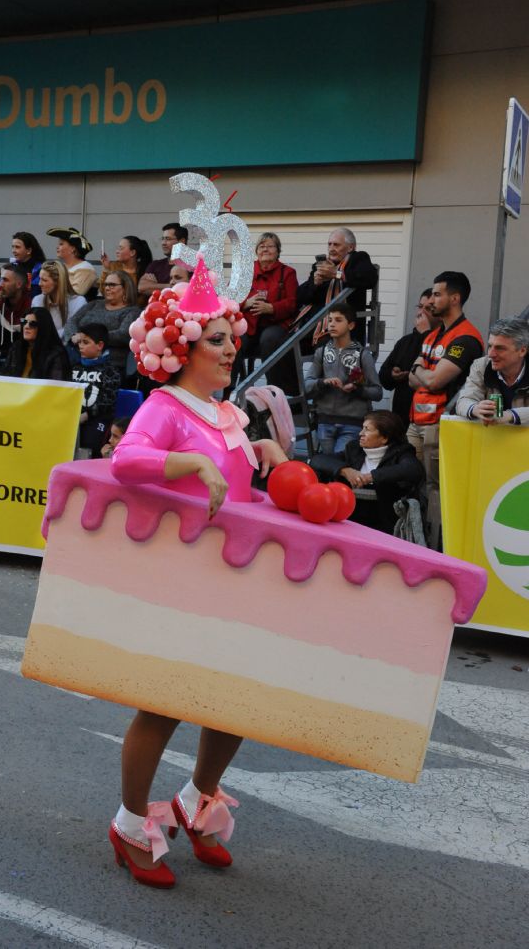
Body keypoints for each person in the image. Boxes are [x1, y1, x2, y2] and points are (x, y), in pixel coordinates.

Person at [108, 257, 287, 888]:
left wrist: (260, 450)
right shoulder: (166, 406)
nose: (232, 347)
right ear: (180, 345)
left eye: (233, 337)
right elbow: (127, 460)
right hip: (182, 579)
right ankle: (130, 823)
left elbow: (238, 484)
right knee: (163, 707)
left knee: (235, 701)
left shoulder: (229, 413)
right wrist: (191, 466)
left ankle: (197, 796)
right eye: (218, 338)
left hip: (236, 578)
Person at [407, 271, 484, 492]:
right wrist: (422, 372)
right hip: (416, 422)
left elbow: (434, 381)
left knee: (436, 488)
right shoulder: (433, 335)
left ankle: (437, 528)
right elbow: (412, 380)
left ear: (455, 298)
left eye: (437, 294)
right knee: (412, 485)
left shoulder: (465, 338)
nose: (430, 300)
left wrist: (420, 369)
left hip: (441, 424)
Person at [311, 410, 425, 535]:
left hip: (385, 525)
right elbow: (318, 460)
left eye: (367, 430)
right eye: (362, 428)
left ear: (384, 438)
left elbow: (413, 469)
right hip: (349, 522)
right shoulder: (354, 449)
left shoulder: (401, 452)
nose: (361, 433)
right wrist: (346, 471)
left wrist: (371, 476)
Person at [303, 302, 382, 453]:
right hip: (324, 421)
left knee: (339, 465)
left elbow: (378, 392)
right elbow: (306, 386)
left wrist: (357, 389)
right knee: (327, 466)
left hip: (352, 423)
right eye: (330, 320)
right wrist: (323, 382)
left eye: (338, 320)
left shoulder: (363, 355)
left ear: (351, 325)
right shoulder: (322, 352)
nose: (332, 324)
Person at [234, 232, 298, 389]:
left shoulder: (288, 272)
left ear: (278, 251)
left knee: (270, 339)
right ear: (256, 251)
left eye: (270, 246)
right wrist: (246, 303)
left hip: (276, 324)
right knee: (233, 341)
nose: (265, 249)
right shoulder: (245, 271)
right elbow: (231, 298)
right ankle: (230, 391)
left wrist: (271, 308)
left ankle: (274, 392)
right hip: (249, 324)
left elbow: (293, 303)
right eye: (261, 246)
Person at [296, 228, 377, 345]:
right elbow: (301, 296)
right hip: (314, 324)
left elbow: (369, 279)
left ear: (350, 247)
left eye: (336, 245)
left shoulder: (358, 258)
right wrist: (314, 283)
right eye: (329, 244)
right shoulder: (320, 265)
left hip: (345, 327)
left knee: (327, 344)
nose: (331, 249)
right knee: (282, 345)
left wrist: (337, 274)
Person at [456, 317, 529, 426]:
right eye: (490, 346)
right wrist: (475, 408)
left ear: (522, 351)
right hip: (491, 440)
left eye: (500, 348)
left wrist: (510, 416)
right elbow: (464, 400)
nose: (491, 354)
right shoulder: (481, 365)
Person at [378, 289, 436, 428]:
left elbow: (432, 367)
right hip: (401, 416)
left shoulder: (442, 341)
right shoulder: (405, 341)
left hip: (428, 418)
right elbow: (383, 376)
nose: (421, 313)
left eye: (428, 308)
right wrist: (392, 375)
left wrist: (425, 334)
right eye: (420, 307)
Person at [64, 269, 138, 372]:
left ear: (125, 288)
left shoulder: (132, 311)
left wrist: (88, 337)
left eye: (112, 285)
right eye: (105, 284)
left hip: (110, 364)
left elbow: (123, 335)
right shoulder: (94, 304)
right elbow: (72, 322)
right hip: (77, 358)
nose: (107, 288)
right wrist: (73, 335)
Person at [72, 324, 122, 455]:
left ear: (100, 345)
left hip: (97, 418)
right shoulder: (75, 367)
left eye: (85, 342)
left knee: (89, 443)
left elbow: (107, 401)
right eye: (80, 342)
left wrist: (87, 415)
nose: (80, 346)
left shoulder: (110, 371)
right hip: (72, 415)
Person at [3, 307, 71, 380]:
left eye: (32, 324)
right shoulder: (16, 347)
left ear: (43, 327)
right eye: (24, 322)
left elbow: (57, 386)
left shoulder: (56, 354)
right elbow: (5, 376)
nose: (26, 326)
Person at [31, 259, 86, 339]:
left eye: (44, 280)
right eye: (40, 279)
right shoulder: (37, 300)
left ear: (58, 282)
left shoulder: (78, 302)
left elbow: (73, 331)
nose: (39, 284)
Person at [137, 223, 189, 297]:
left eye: (168, 239)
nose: (163, 243)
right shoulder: (155, 265)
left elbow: (190, 288)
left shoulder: (192, 266)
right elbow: (142, 287)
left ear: (181, 241)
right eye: (162, 239)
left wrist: (154, 285)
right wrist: (173, 286)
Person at [46, 227, 97, 298]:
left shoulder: (86, 269)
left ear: (73, 249)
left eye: (61, 244)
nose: (57, 247)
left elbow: (76, 294)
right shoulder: (60, 267)